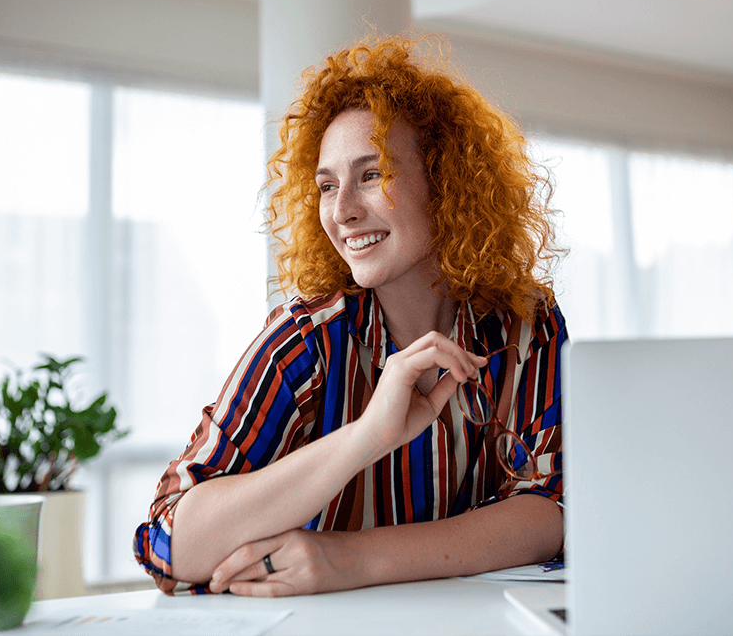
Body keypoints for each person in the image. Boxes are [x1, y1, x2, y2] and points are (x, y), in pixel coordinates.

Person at [133, 35, 567, 597]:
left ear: (444, 181)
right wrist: (368, 435)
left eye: (371, 174)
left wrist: (351, 560)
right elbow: (169, 543)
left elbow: (549, 510)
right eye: (327, 186)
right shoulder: (305, 343)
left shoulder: (525, 324)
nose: (342, 212)